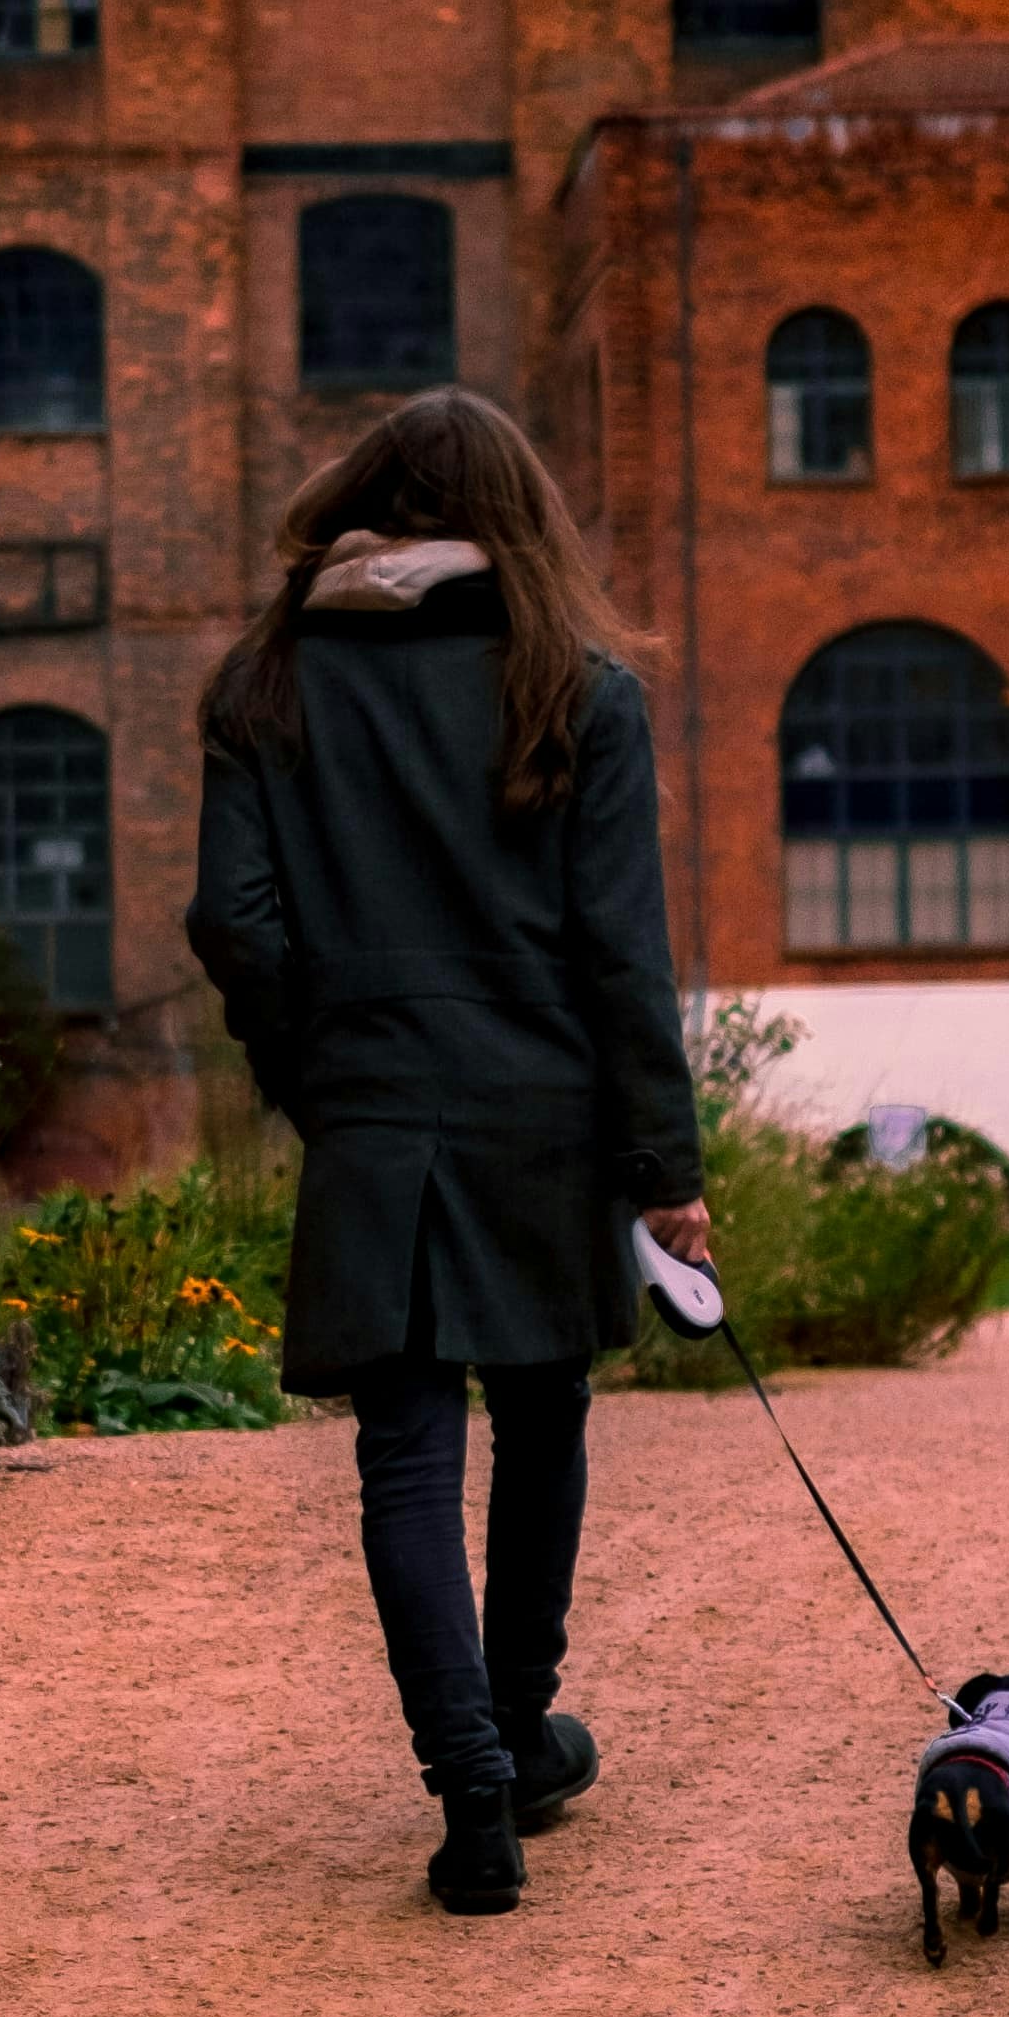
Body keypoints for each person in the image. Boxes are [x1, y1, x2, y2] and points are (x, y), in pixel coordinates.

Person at [188, 387, 712, 1914]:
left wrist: (317, 1067)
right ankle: (521, 1735)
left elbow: (237, 921)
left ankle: (473, 1784)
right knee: (543, 1418)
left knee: (404, 1454)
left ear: (363, 499)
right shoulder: (577, 687)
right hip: (542, 1111)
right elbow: (624, 957)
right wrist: (667, 1172)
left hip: (375, 1107)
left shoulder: (265, 684)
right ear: (516, 517)